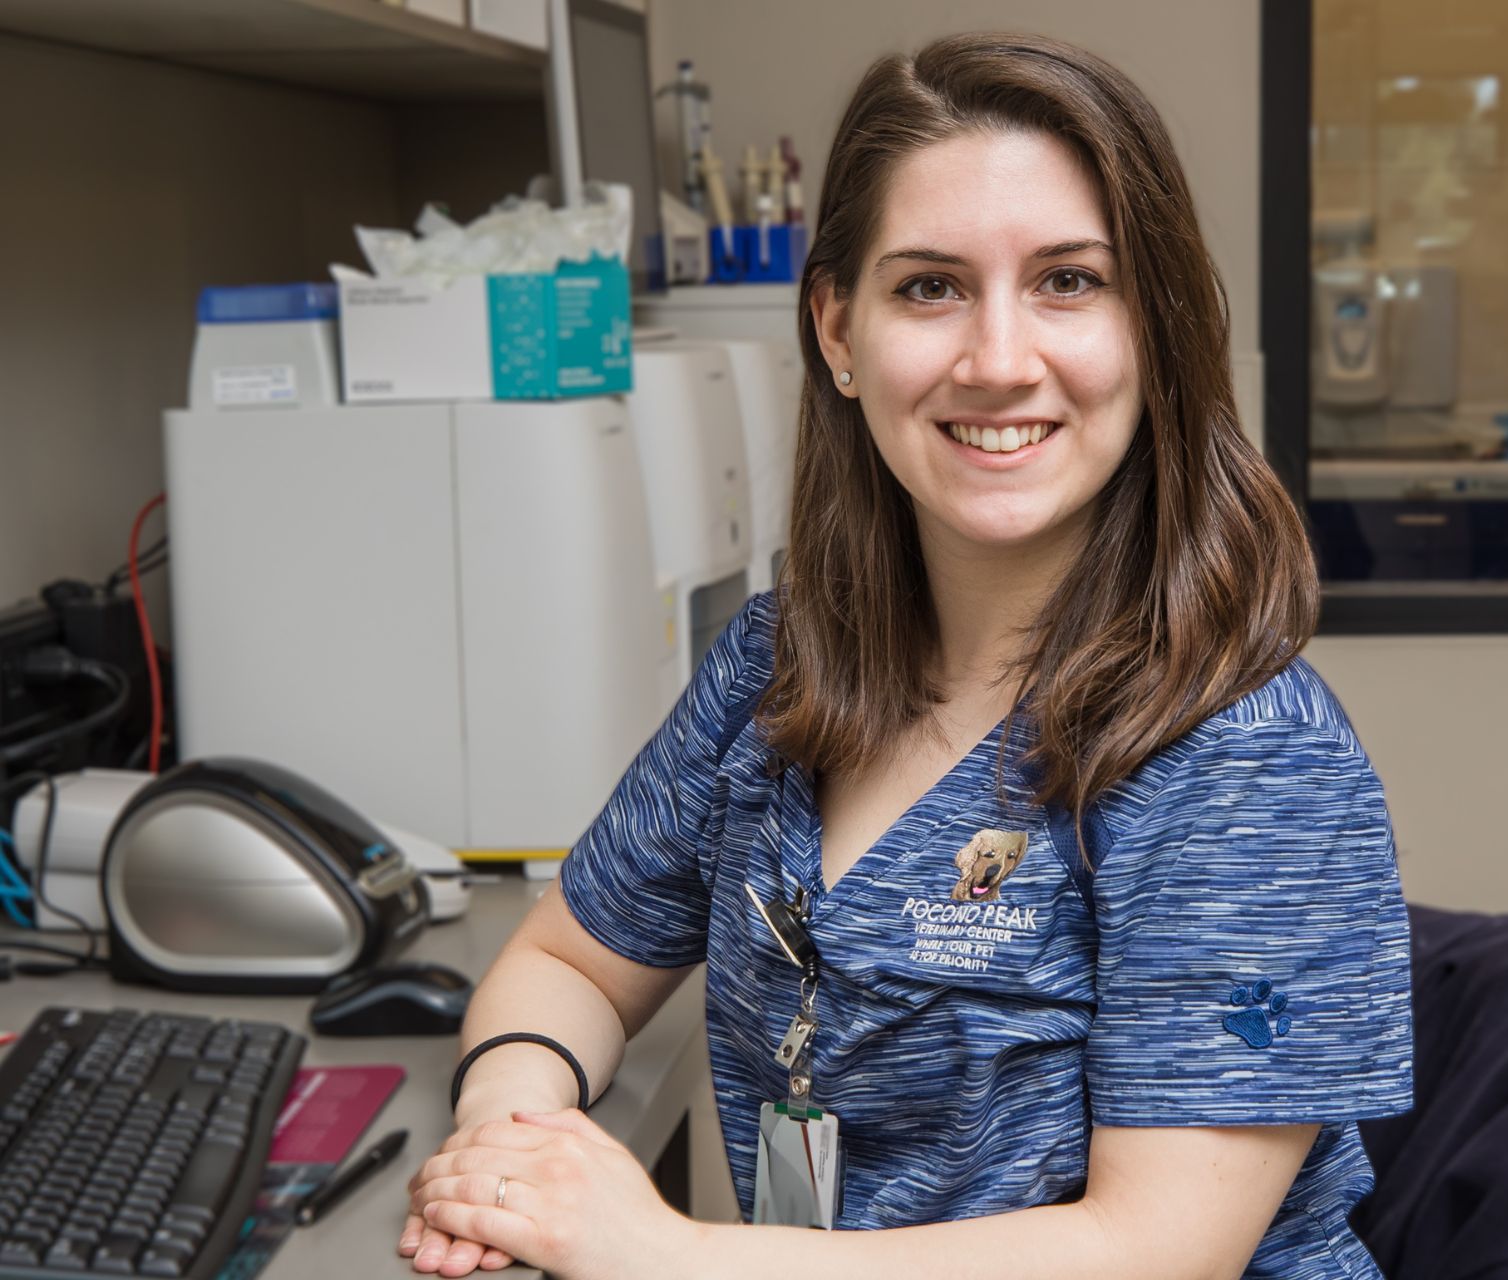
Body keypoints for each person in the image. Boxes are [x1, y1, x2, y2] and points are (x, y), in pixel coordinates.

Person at [397, 30, 1413, 1280]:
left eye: (1070, 282)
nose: (996, 360)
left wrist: (656, 1251)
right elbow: (569, 962)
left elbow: (1161, 1250)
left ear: (1156, 324)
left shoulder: (1247, 754)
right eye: (930, 286)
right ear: (837, 326)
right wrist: (506, 1154)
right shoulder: (776, 666)